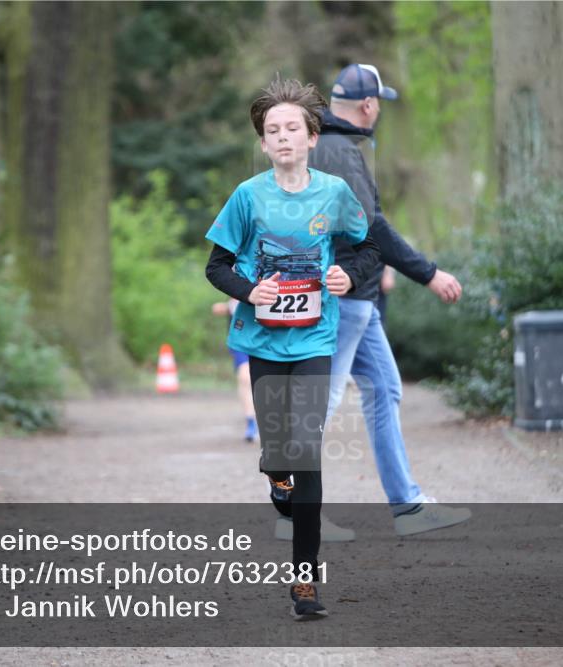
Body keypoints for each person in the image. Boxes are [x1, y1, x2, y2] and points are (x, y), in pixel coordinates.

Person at [204, 77, 380, 620]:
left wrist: (348, 275)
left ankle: (305, 583)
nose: (283, 138)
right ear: (263, 143)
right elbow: (216, 267)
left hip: (314, 338)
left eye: (292, 129)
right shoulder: (247, 196)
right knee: (281, 455)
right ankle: (275, 473)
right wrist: (249, 290)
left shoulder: (333, 193)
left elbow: (369, 246)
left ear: (310, 137)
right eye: (272, 130)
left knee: (306, 451)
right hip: (260, 339)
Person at [307, 63, 472, 536]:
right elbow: (370, 226)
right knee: (320, 405)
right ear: (369, 105)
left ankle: (409, 507)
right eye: (380, 103)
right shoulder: (341, 152)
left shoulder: (334, 147)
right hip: (345, 298)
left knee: (384, 389)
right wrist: (428, 272)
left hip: (357, 300)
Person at [211, 299, 258, 442]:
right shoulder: (235, 297)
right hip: (240, 343)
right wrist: (228, 306)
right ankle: (251, 422)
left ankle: (268, 420)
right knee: (245, 377)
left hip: (264, 341)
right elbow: (217, 308)